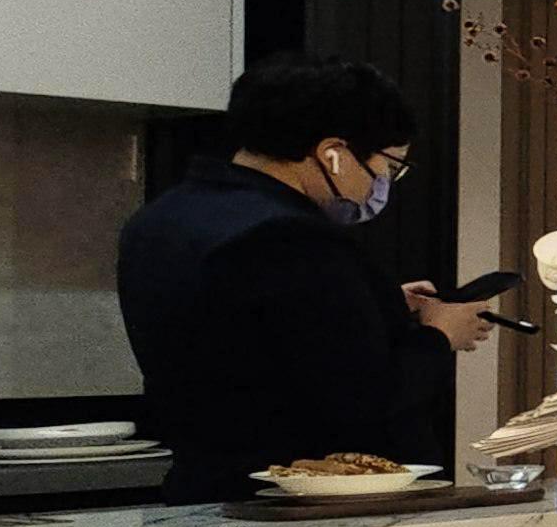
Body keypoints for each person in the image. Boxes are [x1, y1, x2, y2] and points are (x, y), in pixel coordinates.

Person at [116, 51, 494, 503]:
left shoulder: (158, 219)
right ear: (333, 154)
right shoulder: (293, 235)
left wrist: (375, 303)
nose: (380, 185)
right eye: (388, 167)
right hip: (303, 500)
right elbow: (360, 396)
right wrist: (439, 335)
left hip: (202, 483)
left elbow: (254, 332)